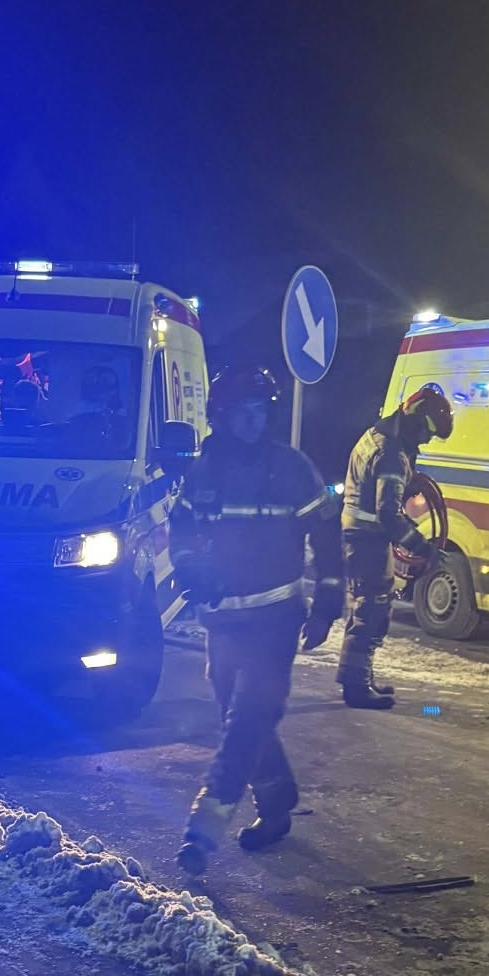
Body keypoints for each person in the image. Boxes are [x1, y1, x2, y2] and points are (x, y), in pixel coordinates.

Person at [169, 364, 343, 876]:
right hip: (223, 622)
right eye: (241, 412)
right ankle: (277, 801)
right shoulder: (203, 471)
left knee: (247, 721)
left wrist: (329, 602)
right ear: (220, 416)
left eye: (259, 411)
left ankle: (203, 831)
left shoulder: (291, 468)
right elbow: (181, 530)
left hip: (276, 621)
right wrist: (192, 570)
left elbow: (327, 536)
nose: (252, 421)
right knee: (240, 716)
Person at [336, 381, 453, 708]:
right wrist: (424, 549)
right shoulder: (391, 454)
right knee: (370, 610)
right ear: (416, 422)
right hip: (367, 539)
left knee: (371, 606)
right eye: (427, 433)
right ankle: (356, 688)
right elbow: (388, 515)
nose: (426, 441)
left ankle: (360, 676)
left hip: (362, 536)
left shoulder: (379, 434)